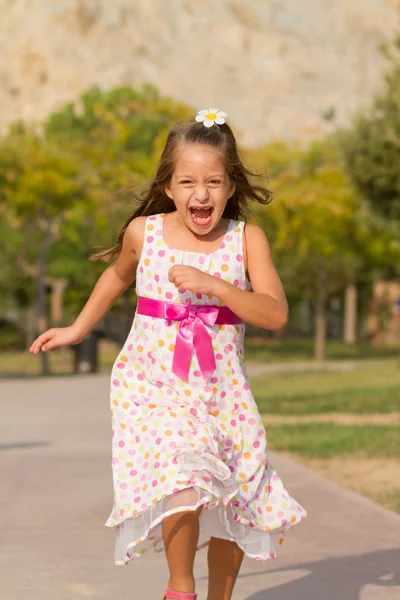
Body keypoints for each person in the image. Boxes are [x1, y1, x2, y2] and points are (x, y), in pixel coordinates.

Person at [30, 108, 307, 600]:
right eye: (187, 182)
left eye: (214, 182)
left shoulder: (247, 240)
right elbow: (116, 277)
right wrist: (76, 329)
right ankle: (181, 589)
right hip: (154, 387)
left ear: (231, 186)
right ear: (169, 185)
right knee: (182, 475)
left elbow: (275, 314)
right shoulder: (146, 233)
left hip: (224, 396)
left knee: (238, 497)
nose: (201, 194)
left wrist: (217, 286)